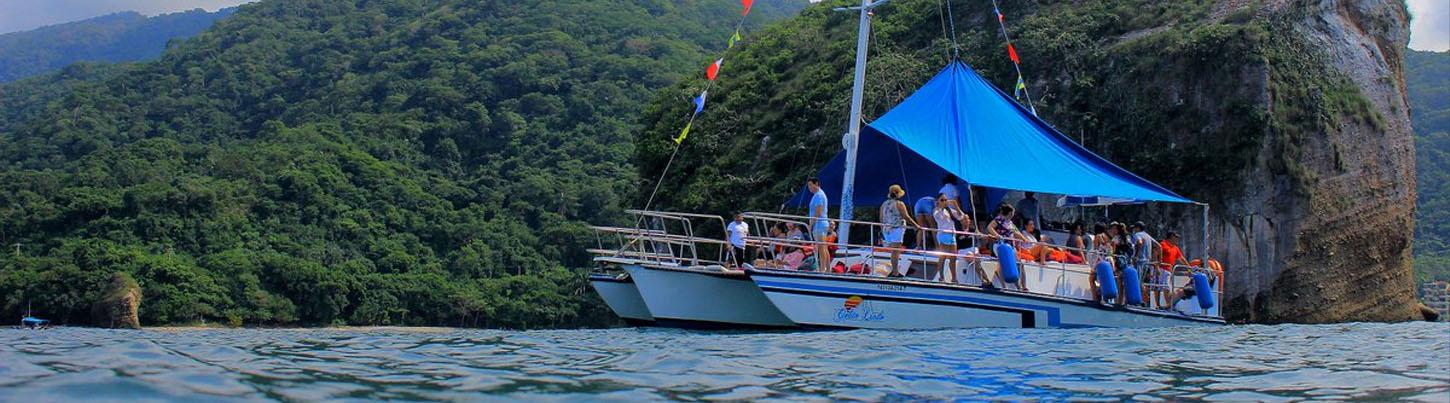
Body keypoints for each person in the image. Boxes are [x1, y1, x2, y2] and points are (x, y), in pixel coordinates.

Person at [985, 203, 1031, 291]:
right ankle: (1004, 286)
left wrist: (1023, 238)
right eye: (1012, 212)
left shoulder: (1010, 222)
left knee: (1019, 264)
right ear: (1009, 213)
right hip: (1000, 245)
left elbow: (1016, 232)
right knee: (1002, 264)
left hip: (1010, 246)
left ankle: (1022, 287)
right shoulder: (999, 219)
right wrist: (997, 235)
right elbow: (990, 227)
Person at [880, 185, 922, 277]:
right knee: (895, 252)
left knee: (893, 252)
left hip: (887, 230)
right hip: (896, 229)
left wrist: (882, 230)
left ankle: (894, 271)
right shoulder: (899, 204)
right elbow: (906, 217)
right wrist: (916, 225)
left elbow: (881, 218)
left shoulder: (884, 204)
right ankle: (895, 272)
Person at [932, 193, 971, 284]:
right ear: (938, 201)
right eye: (942, 200)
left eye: (946, 200)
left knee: (953, 257)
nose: (944, 202)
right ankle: (941, 277)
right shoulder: (936, 211)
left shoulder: (948, 210)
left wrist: (956, 205)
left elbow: (962, 216)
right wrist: (940, 206)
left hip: (952, 234)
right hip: (943, 234)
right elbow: (938, 216)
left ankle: (954, 278)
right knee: (943, 256)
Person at [1156, 231, 1191, 309]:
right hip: (1162, 268)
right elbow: (1155, 254)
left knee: (1166, 287)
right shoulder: (1162, 244)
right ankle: (1166, 305)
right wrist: (1157, 266)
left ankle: (1168, 305)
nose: (1177, 239)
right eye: (1176, 237)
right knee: (1162, 287)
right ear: (1171, 237)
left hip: (1169, 270)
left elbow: (1181, 258)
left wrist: (1189, 267)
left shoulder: (1175, 248)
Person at [1130, 221, 1157, 306]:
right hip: (1147, 262)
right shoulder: (1148, 236)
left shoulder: (1137, 235)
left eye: (1135, 228)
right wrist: (1159, 260)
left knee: (1137, 281)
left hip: (1140, 262)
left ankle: (1139, 300)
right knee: (1142, 282)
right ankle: (1145, 299)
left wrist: (1136, 256)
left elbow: (1140, 242)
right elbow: (1158, 246)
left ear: (1138, 228)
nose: (1134, 230)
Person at [807, 177, 830, 271]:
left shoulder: (819, 195)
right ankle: (827, 269)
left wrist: (811, 225)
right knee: (824, 247)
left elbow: (818, 212)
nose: (809, 187)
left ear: (816, 184)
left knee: (821, 248)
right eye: (808, 185)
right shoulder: (817, 195)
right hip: (821, 224)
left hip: (819, 224)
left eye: (810, 185)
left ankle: (822, 269)